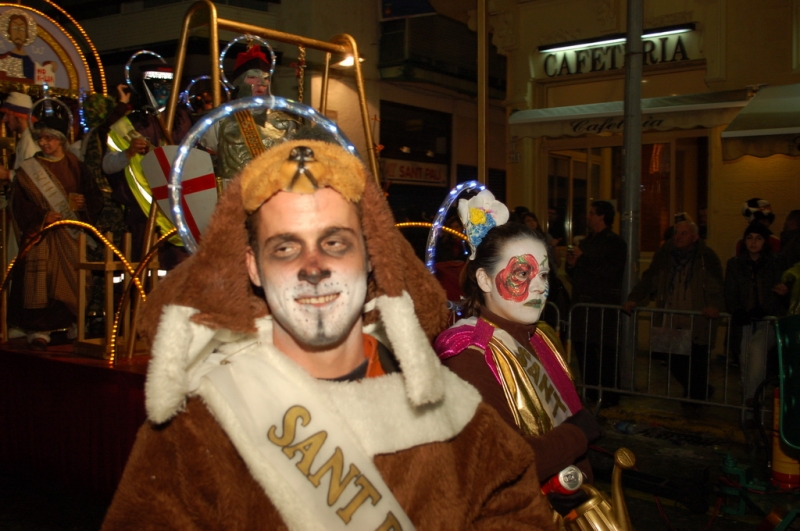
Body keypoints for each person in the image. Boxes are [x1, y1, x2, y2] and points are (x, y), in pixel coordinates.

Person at [101, 140, 554, 529]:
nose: (313, 268)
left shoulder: (457, 417)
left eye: (335, 243)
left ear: (371, 257)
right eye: (285, 247)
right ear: (253, 267)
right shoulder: (198, 429)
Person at [434, 190, 602, 517]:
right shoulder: (468, 358)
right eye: (522, 274)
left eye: (543, 275)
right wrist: (578, 434)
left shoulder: (542, 337)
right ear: (483, 278)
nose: (539, 286)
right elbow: (503, 463)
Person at [8, 115, 103, 349]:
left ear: (60, 139)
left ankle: (70, 323)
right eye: (40, 138)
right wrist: (42, 217)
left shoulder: (76, 165)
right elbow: (19, 203)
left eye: (49, 138)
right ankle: (39, 329)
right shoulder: (29, 169)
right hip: (43, 236)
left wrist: (83, 203)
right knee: (41, 280)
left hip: (71, 234)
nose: (44, 143)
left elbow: (94, 196)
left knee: (73, 279)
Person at [623, 221, 725, 403]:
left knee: (697, 361)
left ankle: (695, 397)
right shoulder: (665, 255)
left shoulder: (706, 257)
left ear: (695, 237)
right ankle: (698, 391)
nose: (678, 236)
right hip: (670, 315)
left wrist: (715, 306)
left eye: (684, 233)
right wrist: (635, 298)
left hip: (696, 319)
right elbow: (649, 278)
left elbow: (716, 285)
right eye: (676, 233)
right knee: (669, 357)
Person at [565, 200, 627, 407]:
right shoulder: (587, 242)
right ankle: (591, 392)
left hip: (602, 307)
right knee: (584, 351)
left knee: (604, 353)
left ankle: (609, 395)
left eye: (592, 213)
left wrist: (583, 260)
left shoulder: (615, 243)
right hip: (583, 304)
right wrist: (572, 264)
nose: (588, 217)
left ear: (602, 216)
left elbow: (610, 271)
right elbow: (577, 273)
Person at [215, 44, 300, 185]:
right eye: (252, 77)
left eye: (265, 78)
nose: (260, 82)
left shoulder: (287, 123)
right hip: (233, 197)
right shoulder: (219, 119)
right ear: (239, 81)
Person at [724, 223, 783, 403]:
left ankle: (751, 402)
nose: (753, 242)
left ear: (765, 242)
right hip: (745, 320)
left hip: (768, 320)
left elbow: (779, 294)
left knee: (756, 350)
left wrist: (767, 309)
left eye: (758, 238)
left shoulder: (775, 264)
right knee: (744, 363)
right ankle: (749, 410)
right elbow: (730, 292)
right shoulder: (735, 264)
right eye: (749, 238)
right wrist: (738, 310)